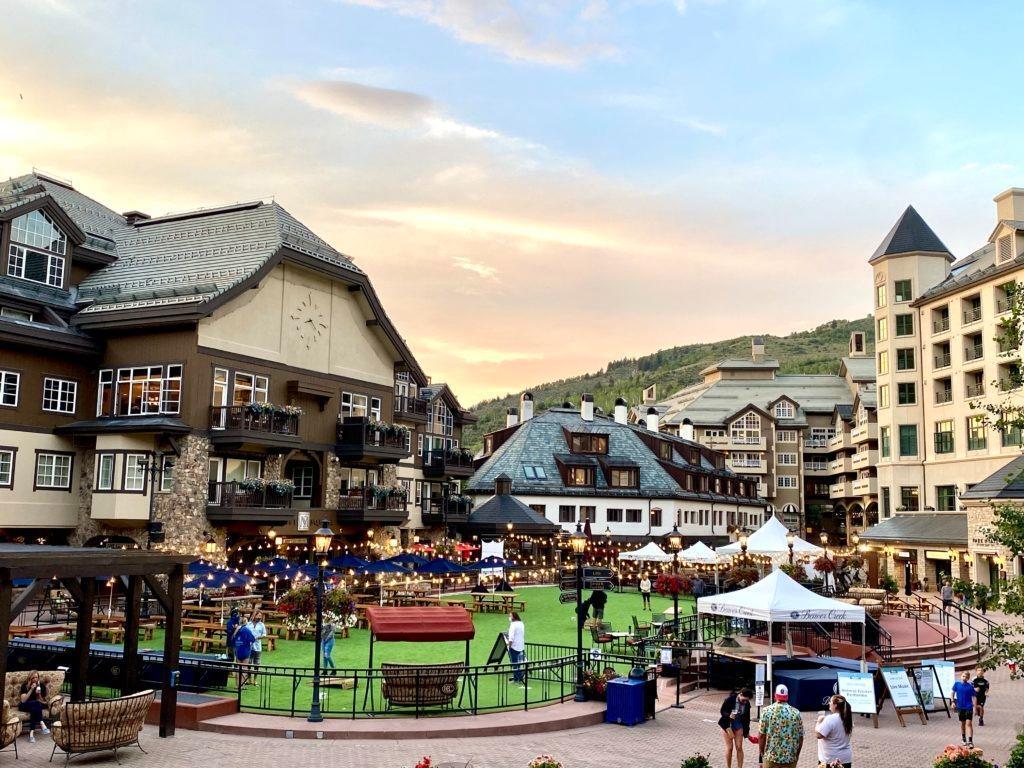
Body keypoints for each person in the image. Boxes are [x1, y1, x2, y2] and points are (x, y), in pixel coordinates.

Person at [759, 684, 804, 768]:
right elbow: (800, 737)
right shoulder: (796, 712)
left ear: (775, 696)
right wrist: (796, 755)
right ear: (787, 697)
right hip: (790, 758)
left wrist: (762, 753)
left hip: (771, 757)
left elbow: (761, 735)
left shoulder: (766, 711)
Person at [816, 694, 853, 768]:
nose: (829, 703)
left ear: (835, 705)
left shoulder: (830, 719)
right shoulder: (847, 719)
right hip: (845, 759)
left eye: (830, 702)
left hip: (830, 760)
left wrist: (818, 722)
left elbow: (819, 735)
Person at [718, 688, 752, 768]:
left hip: (738, 725)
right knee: (730, 748)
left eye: (746, 700)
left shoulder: (747, 703)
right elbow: (722, 711)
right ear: (740, 694)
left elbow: (747, 718)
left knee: (739, 747)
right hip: (728, 725)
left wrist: (747, 732)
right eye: (744, 700)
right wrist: (729, 715)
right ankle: (728, 766)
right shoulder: (730, 699)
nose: (745, 702)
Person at [18, 671, 49, 743]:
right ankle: (42, 723)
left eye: (36, 677)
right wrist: (31, 689)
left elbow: (42, 700)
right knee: (36, 704)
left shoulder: (41, 685)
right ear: (30, 678)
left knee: (35, 708)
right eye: (33, 678)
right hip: (25, 705)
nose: (35, 679)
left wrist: (39, 694)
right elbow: (23, 700)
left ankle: (31, 734)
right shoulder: (25, 685)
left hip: (36, 706)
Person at [952, 670, 977, 747]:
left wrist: (975, 708)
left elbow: (974, 697)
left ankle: (970, 741)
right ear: (961, 676)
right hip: (960, 707)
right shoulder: (957, 684)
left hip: (968, 707)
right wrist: (953, 702)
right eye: (963, 676)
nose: (964, 678)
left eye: (966, 677)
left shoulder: (970, 687)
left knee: (969, 723)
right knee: (962, 723)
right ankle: (963, 739)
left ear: (968, 678)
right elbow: (952, 692)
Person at [233, 616, 257, 686]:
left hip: (238, 650)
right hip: (245, 650)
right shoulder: (246, 630)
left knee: (238, 668)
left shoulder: (237, 629)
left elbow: (233, 639)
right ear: (245, 622)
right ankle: (242, 685)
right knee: (244, 668)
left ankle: (237, 685)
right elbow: (252, 639)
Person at [507, 612, 526, 684]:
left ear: (514, 617)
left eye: (510, 616)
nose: (509, 617)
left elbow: (511, 637)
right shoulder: (521, 623)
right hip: (521, 646)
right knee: (518, 663)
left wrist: (509, 645)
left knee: (514, 663)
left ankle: (517, 678)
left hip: (514, 646)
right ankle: (518, 677)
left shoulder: (513, 625)